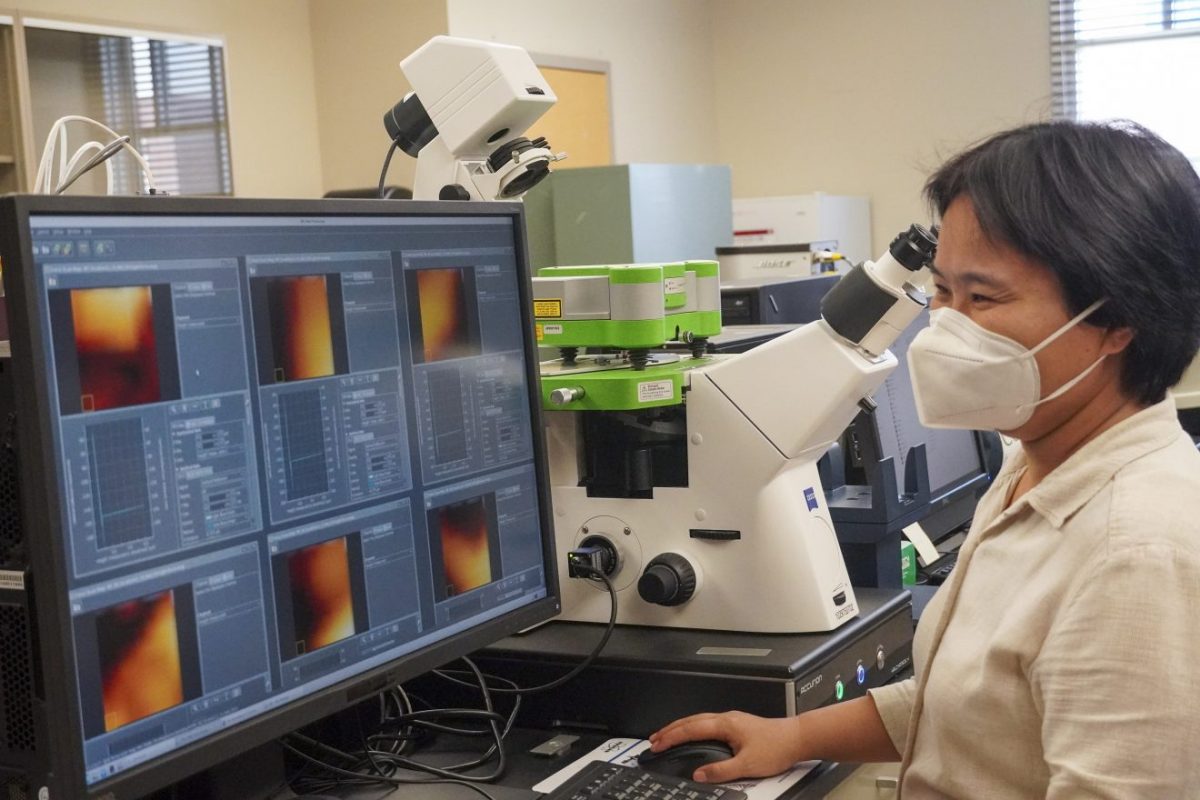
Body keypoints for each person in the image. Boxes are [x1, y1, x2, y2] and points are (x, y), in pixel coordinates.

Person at [648, 120, 1200, 798]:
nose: (947, 325)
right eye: (941, 291)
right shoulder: (1036, 464)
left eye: (983, 297)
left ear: (1119, 322)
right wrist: (794, 736)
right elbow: (976, 705)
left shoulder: (1136, 555)